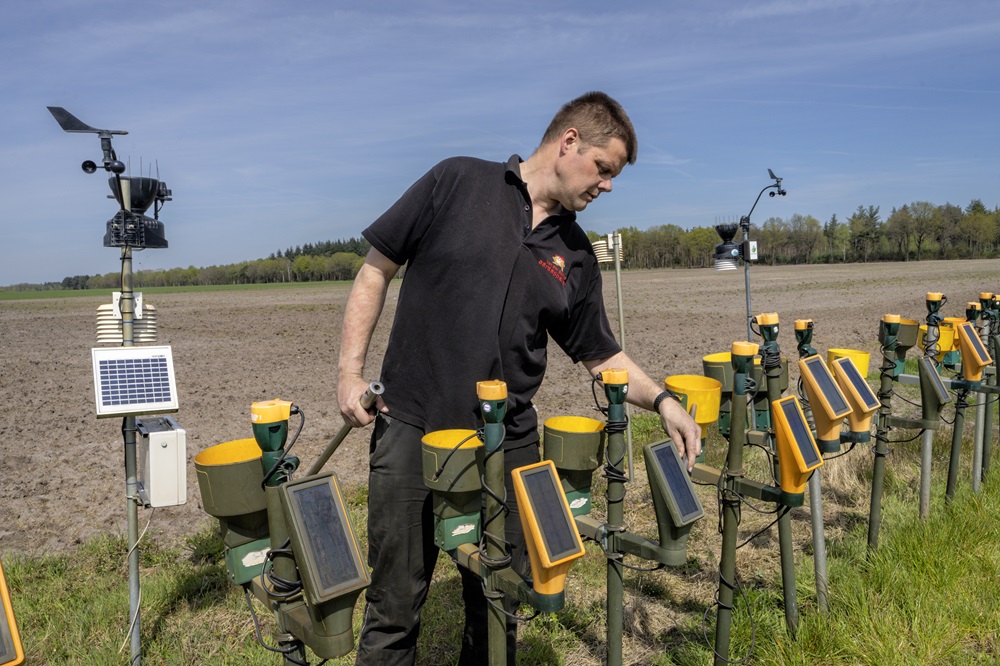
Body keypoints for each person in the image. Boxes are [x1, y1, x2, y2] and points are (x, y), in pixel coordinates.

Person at [337, 91, 701, 666]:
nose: (606, 186)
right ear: (569, 142)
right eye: (604, 169)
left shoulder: (575, 253)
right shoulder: (457, 182)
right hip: (412, 428)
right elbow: (375, 271)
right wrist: (349, 376)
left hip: (507, 447)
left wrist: (663, 401)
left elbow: (601, 355)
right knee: (394, 608)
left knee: (500, 602)